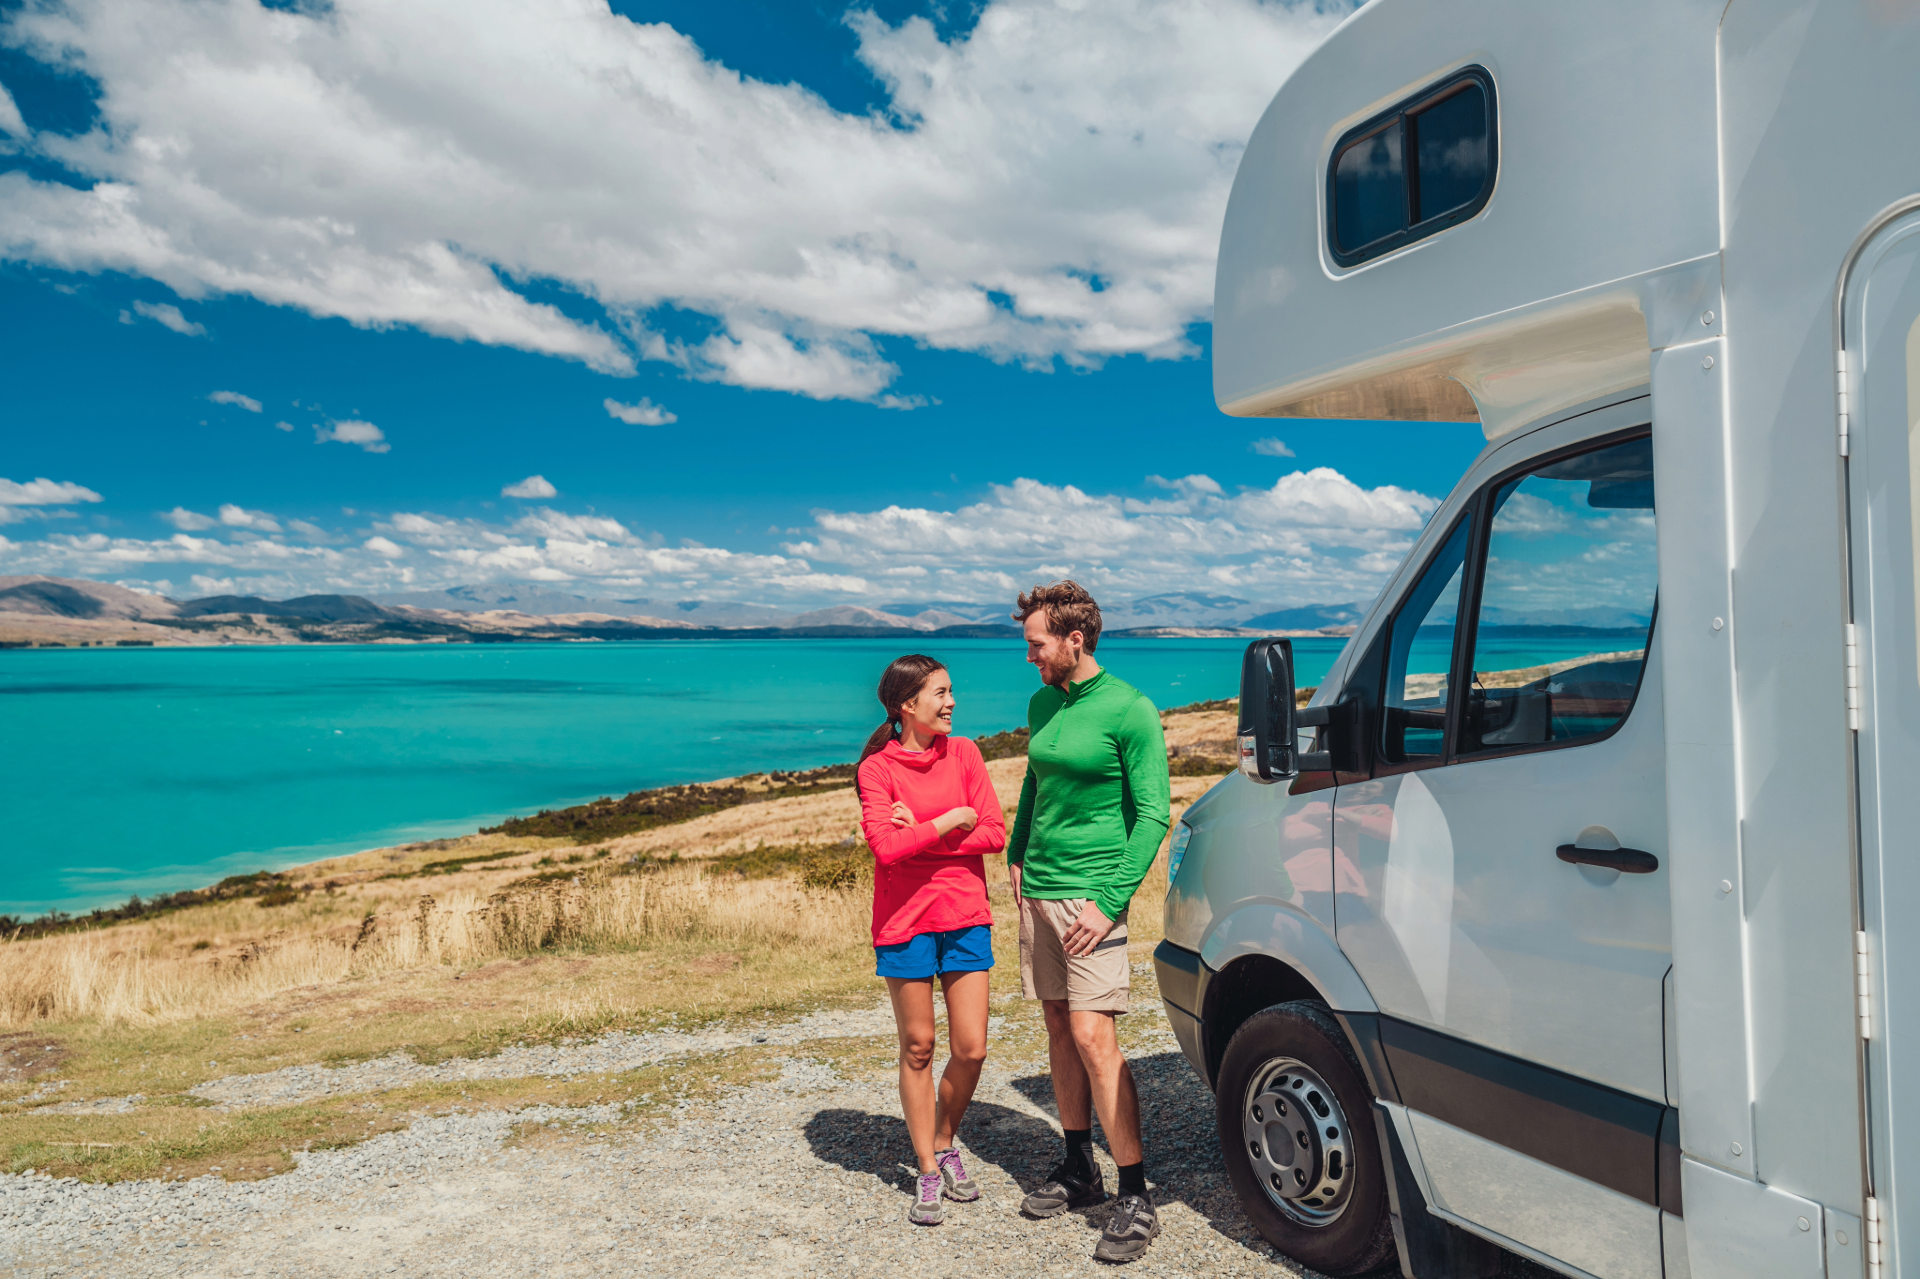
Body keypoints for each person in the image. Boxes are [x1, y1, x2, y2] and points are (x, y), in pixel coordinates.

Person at [1006, 581, 1170, 1264]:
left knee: (1091, 1033)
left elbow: (1154, 814)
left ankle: (1135, 1193)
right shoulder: (1045, 700)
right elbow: (1033, 782)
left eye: (1037, 644)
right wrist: (1016, 851)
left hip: (1090, 897)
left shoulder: (1130, 709)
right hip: (1038, 891)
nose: (1030, 657)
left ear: (1076, 639)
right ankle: (1080, 1168)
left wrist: (1109, 902)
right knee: (1055, 1023)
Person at [855, 653, 1008, 1226]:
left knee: (971, 1048)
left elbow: (993, 832)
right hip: (905, 923)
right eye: (940, 693)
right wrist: (950, 819)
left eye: (951, 691)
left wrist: (920, 828)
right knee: (919, 1046)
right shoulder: (877, 769)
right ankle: (925, 1166)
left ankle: (946, 1140)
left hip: (965, 915)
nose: (951, 702)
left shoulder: (965, 752)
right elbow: (885, 849)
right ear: (906, 705)